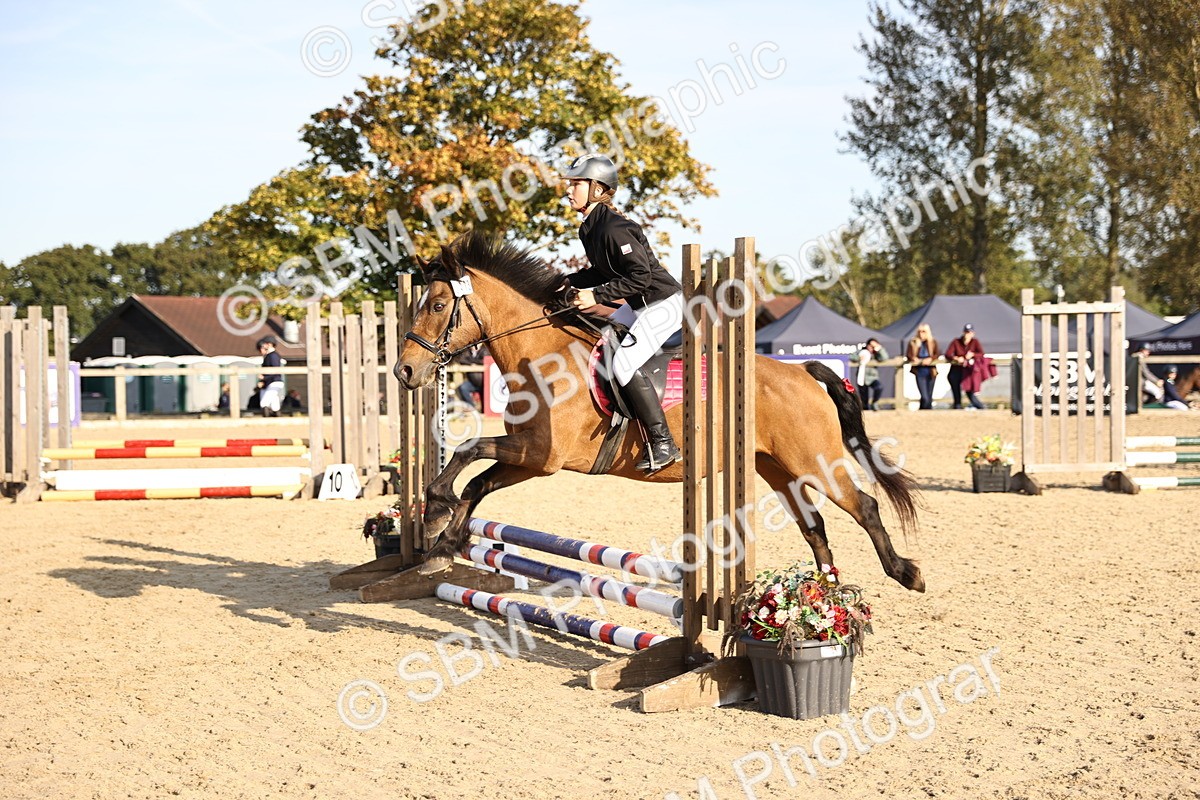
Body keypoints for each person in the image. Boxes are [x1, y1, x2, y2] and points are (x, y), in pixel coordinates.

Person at [561, 153, 685, 473]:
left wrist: (596, 295)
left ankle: (663, 443)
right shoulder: (590, 228)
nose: (569, 190)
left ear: (598, 188)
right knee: (600, 339)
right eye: (570, 184)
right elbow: (599, 272)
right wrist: (563, 283)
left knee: (624, 361)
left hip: (662, 304)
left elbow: (640, 277)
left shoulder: (615, 228)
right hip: (638, 306)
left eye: (576, 184)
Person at [944, 324, 986, 409]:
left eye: (970, 332)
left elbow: (981, 354)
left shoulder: (975, 342)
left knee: (970, 392)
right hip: (956, 370)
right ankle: (958, 407)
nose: (968, 334)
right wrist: (956, 358)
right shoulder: (956, 341)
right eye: (966, 332)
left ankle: (981, 407)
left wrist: (972, 354)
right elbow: (948, 354)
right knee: (956, 394)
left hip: (968, 372)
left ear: (973, 333)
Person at [905, 323, 939, 410]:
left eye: (923, 331)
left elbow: (937, 353)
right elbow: (909, 354)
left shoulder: (933, 342)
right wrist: (914, 359)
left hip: (931, 371)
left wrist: (930, 359)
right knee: (924, 396)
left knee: (929, 396)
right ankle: (924, 410)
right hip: (919, 371)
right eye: (919, 331)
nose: (921, 334)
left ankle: (926, 413)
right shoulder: (913, 342)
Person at [853, 338, 888, 411]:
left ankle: (874, 402)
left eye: (874, 346)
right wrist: (858, 358)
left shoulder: (876, 354)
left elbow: (884, 358)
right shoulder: (862, 351)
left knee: (879, 387)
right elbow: (852, 356)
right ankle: (866, 409)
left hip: (872, 377)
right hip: (862, 378)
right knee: (864, 398)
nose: (872, 347)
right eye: (870, 345)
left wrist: (879, 349)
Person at [256, 336, 285, 417]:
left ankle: (267, 420)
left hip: (274, 381)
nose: (263, 346)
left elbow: (275, 370)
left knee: (264, 403)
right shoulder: (269, 355)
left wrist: (264, 377)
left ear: (269, 344)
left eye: (265, 344)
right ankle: (277, 418)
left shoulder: (273, 356)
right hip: (271, 381)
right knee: (274, 404)